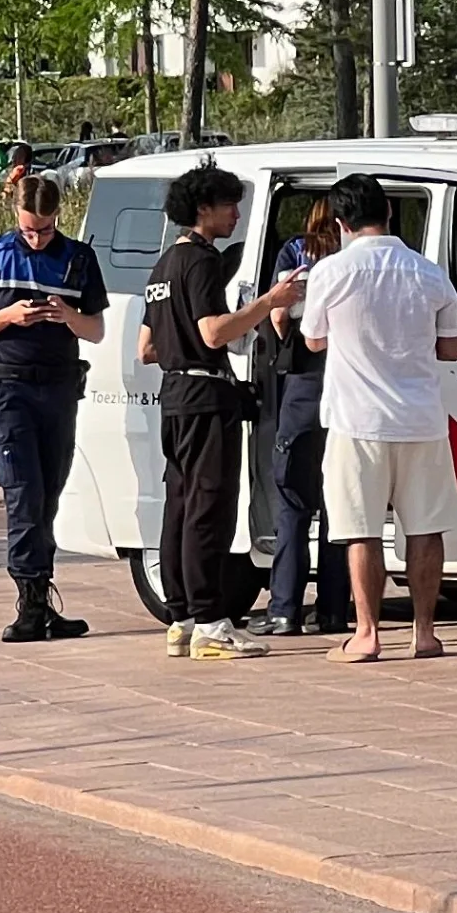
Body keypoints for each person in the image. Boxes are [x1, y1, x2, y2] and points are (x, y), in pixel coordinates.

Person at [297, 173, 457, 663]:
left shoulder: (330, 272)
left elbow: (312, 339)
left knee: (362, 529)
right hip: (421, 418)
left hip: (356, 419)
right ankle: (426, 632)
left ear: (342, 221)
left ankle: (367, 634)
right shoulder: (429, 273)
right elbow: (452, 348)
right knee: (426, 527)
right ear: (389, 212)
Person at [140, 165, 301, 660]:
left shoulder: (164, 264)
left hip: (173, 398)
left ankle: (182, 618)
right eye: (229, 205)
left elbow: (147, 348)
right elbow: (213, 333)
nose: (236, 214)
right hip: (206, 400)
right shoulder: (201, 262)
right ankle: (212, 622)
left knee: (180, 509)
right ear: (203, 208)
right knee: (208, 512)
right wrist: (269, 303)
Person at [0, 173, 106, 643]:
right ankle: (29, 604)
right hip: (13, 389)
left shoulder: (78, 259)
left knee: (48, 498)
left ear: (57, 217)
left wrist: (68, 316)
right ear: (15, 217)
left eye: (43, 229)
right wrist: (8, 316)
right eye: (28, 229)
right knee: (22, 494)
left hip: (59, 389)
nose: (36, 238)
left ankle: (43, 598)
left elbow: (95, 330)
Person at [258, 200, 348, 633]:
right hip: (349, 384)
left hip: (303, 385)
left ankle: (284, 609)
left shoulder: (295, 252)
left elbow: (277, 318)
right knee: (338, 503)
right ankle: (333, 609)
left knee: (293, 500)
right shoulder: (357, 254)